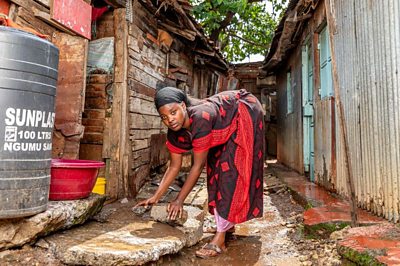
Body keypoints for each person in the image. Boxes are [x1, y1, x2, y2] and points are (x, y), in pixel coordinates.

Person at [135, 87, 264, 258]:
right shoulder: (174, 132)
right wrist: (156, 196)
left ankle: (220, 239)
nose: (170, 120)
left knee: (229, 173)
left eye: (173, 112)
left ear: (183, 106)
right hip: (223, 124)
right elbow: (174, 166)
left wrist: (179, 200)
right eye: (164, 117)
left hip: (244, 111)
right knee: (216, 170)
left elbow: (197, 166)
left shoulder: (201, 118)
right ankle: (226, 225)